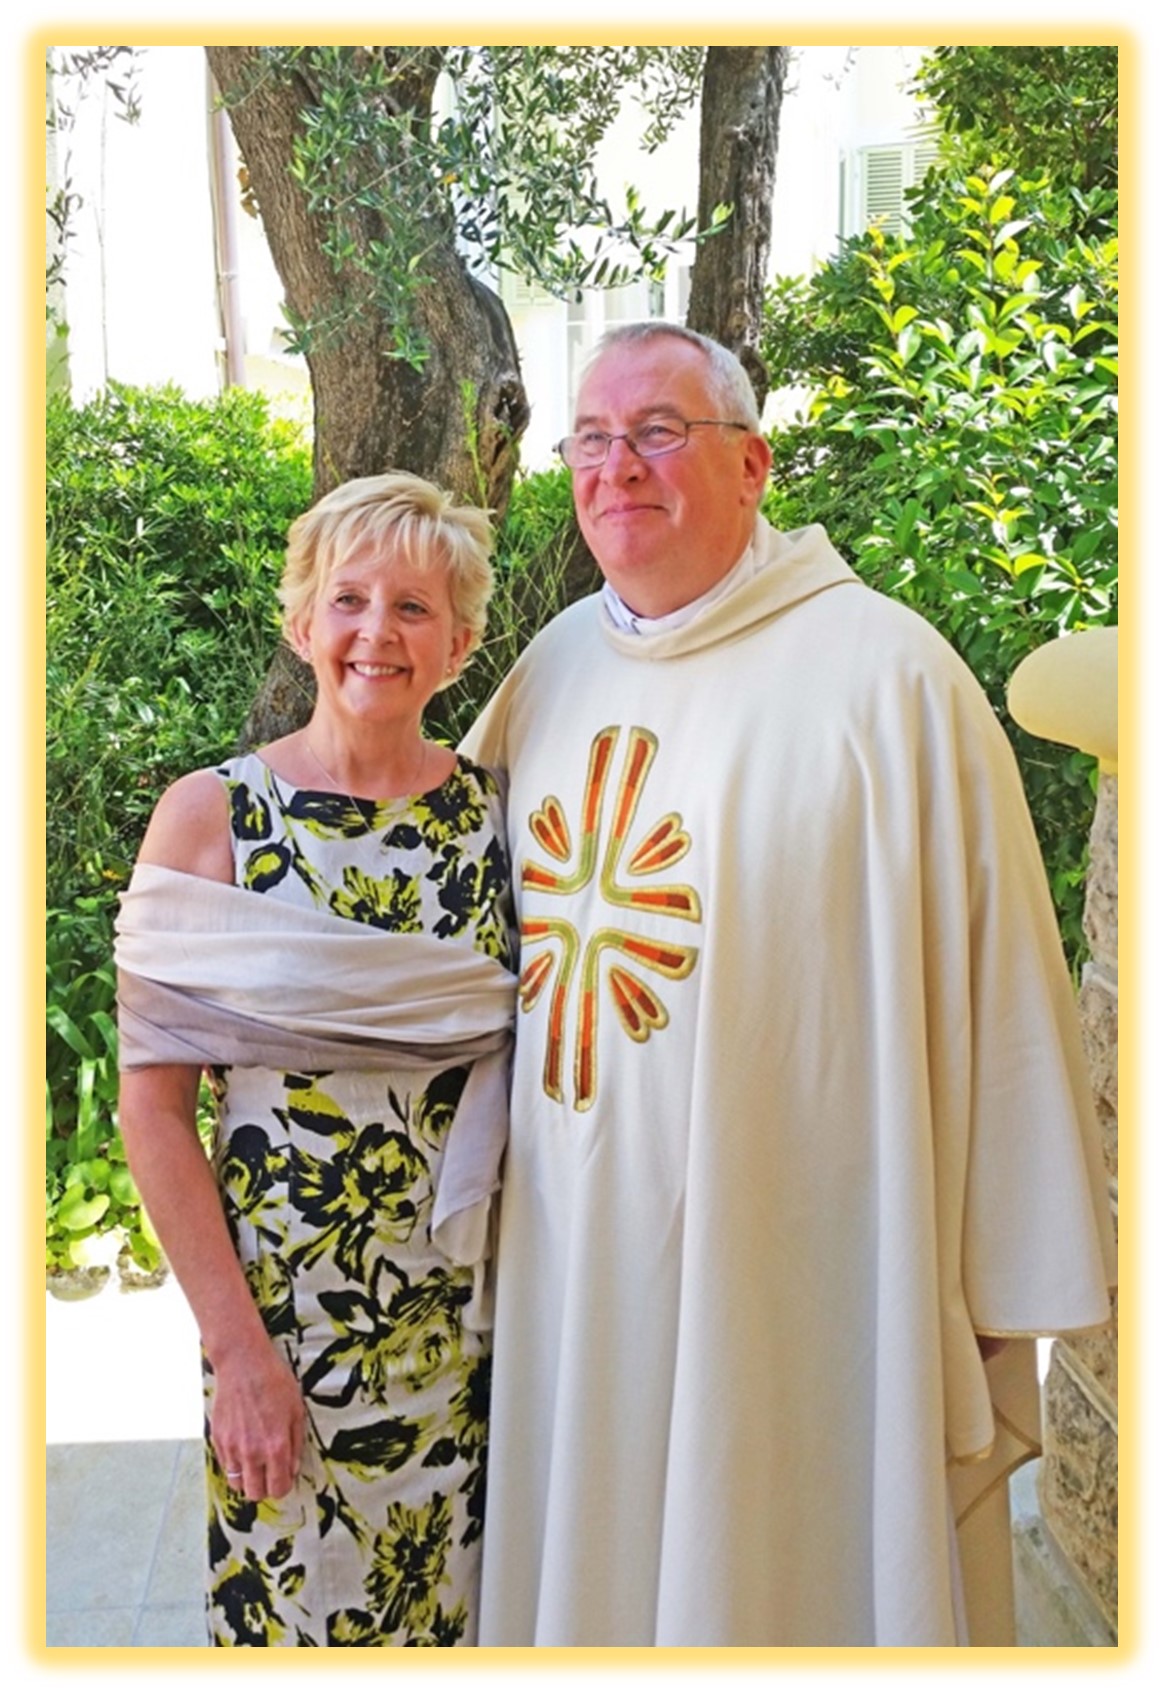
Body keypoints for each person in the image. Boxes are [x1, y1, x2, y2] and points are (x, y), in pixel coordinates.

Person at [463, 323, 1116, 1648]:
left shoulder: (888, 683)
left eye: (659, 432)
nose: (617, 466)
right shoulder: (552, 672)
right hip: (574, 1262)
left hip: (802, 1272)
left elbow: (992, 990)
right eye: (593, 438)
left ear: (752, 463)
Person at [115, 472, 517, 1647]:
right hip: (283, 1325)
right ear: (301, 624)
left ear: (460, 644)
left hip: (466, 1326)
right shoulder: (212, 819)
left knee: (451, 1622)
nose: (375, 633)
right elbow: (154, 1113)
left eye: (413, 607)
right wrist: (235, 1353)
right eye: (347, 599)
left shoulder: (499, 824)